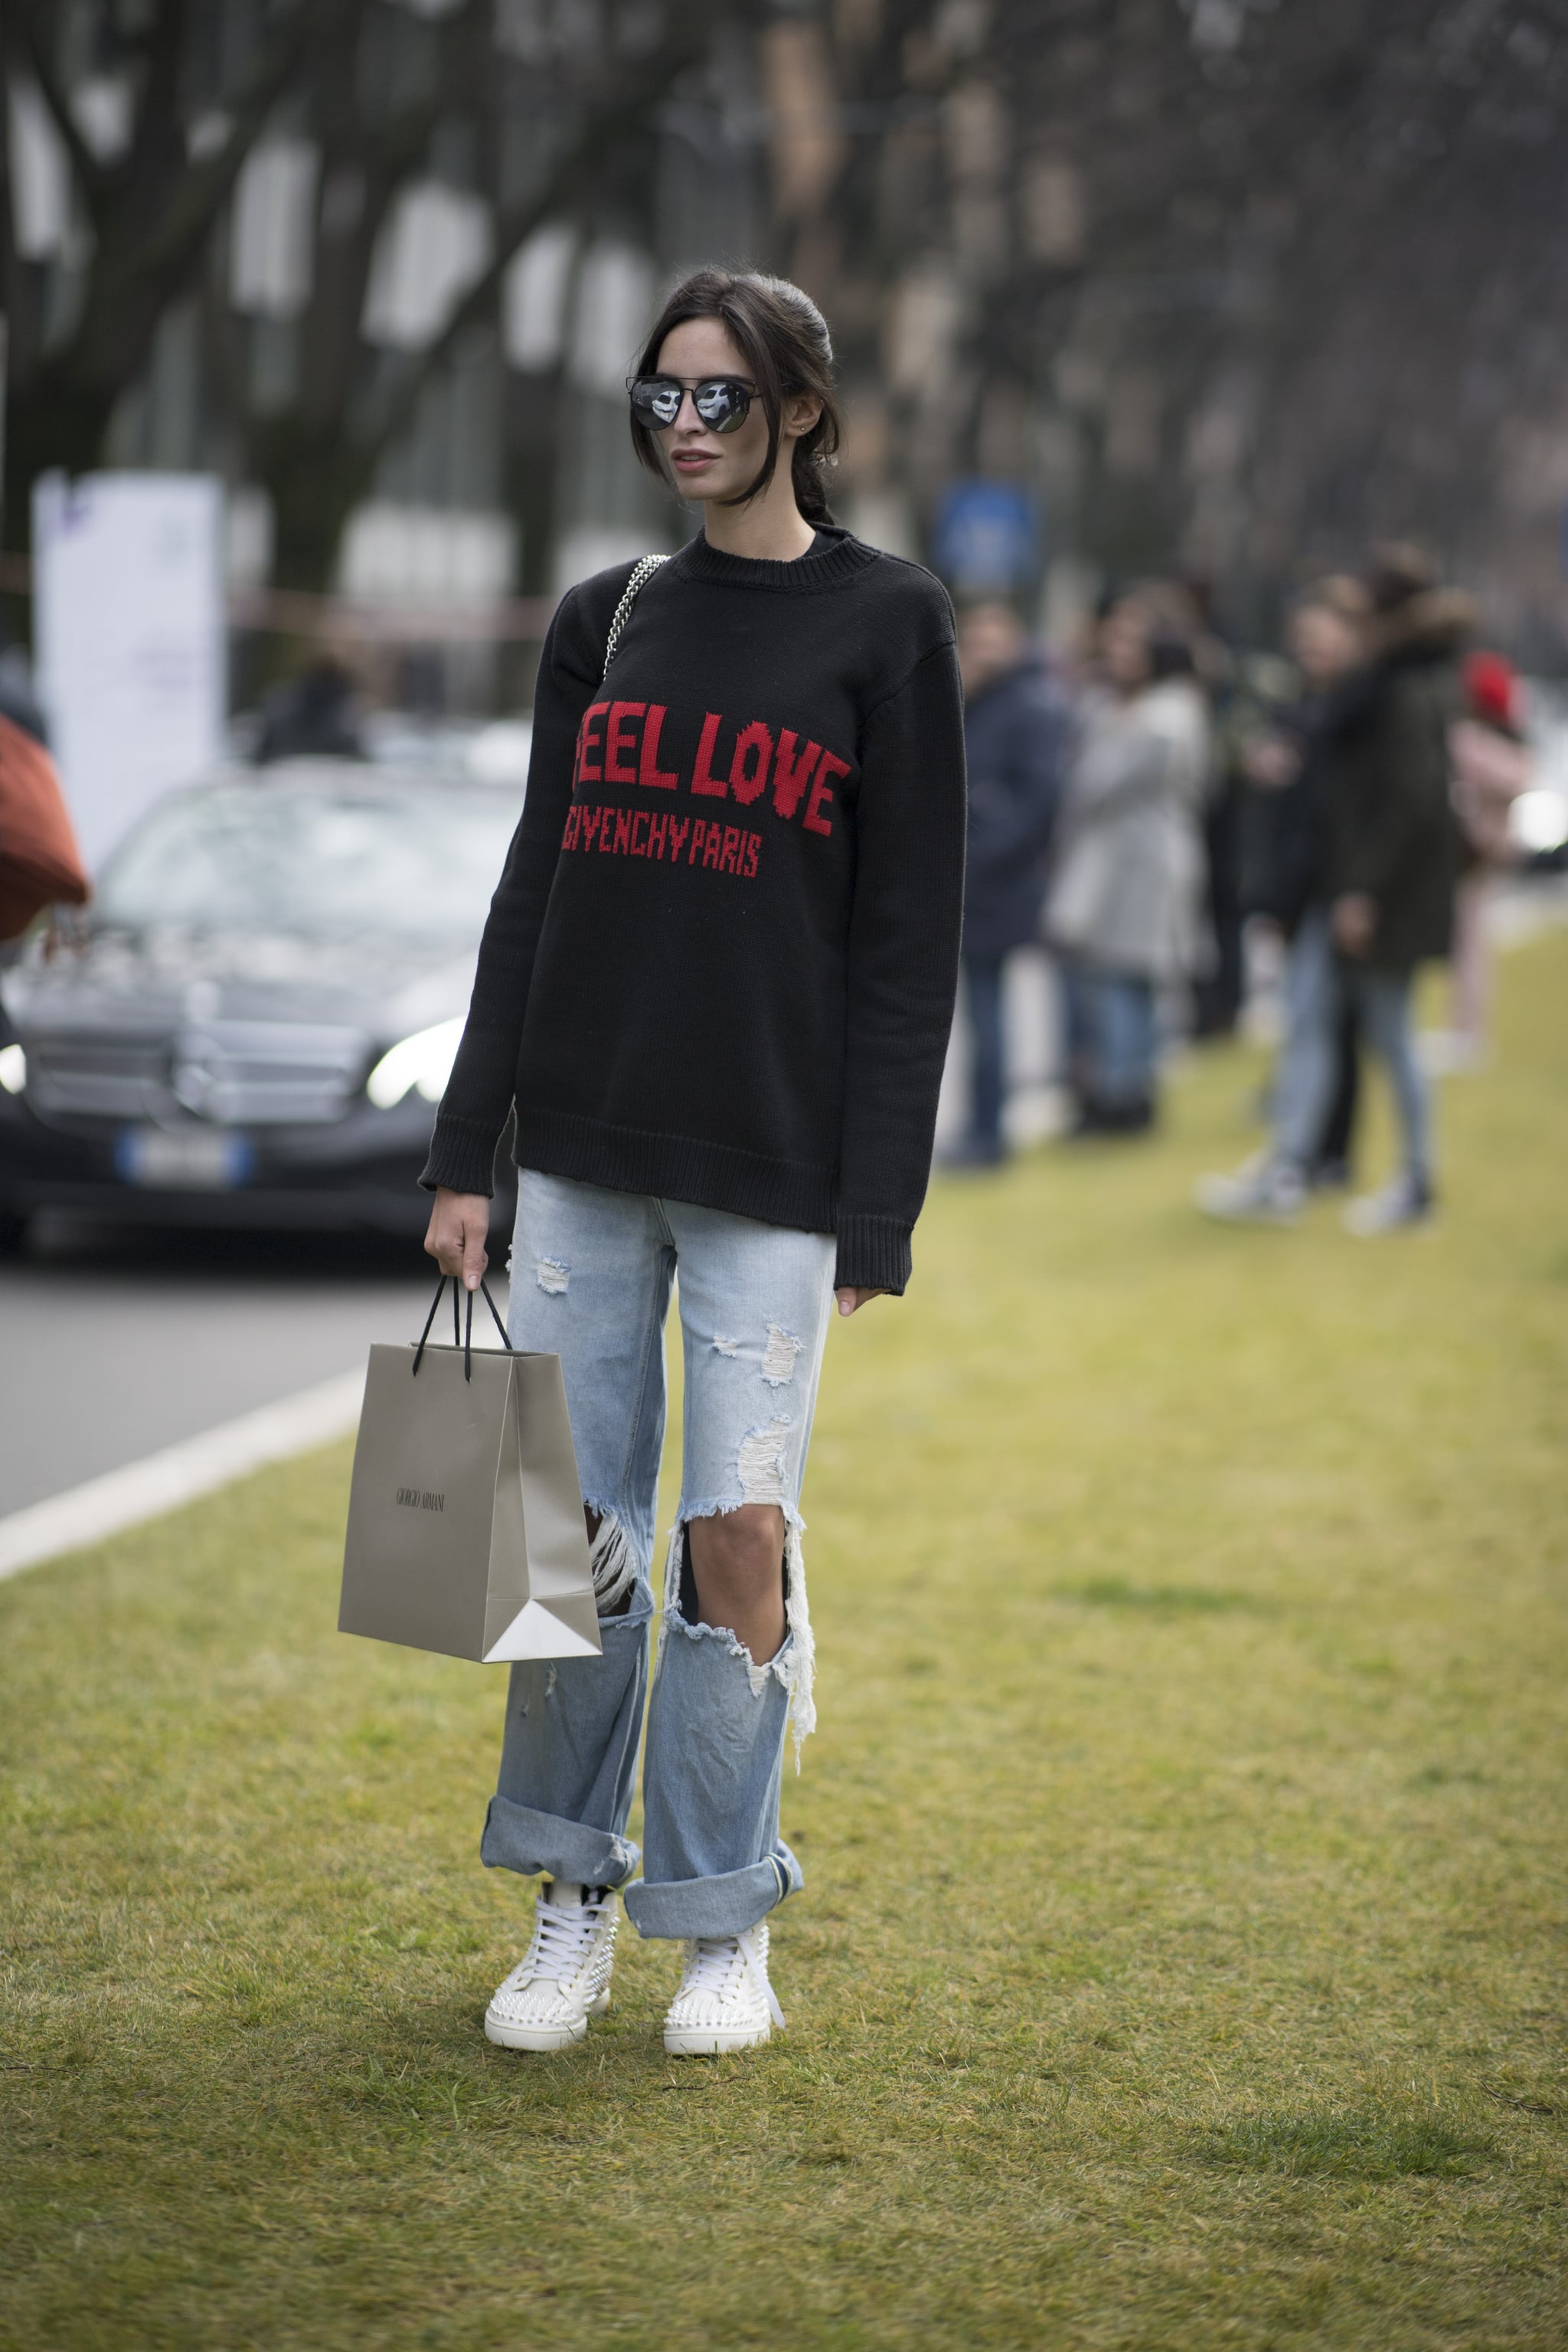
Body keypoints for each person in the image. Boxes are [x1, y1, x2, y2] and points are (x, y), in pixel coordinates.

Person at [420, 270, 965, 2057]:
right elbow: (532, 893)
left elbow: (905, 943)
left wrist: (874, 1199)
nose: (684, 425)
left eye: (720, 397)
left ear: (800, 411)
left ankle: (721, 1917)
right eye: (660, 394)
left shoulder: (885, 624)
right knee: (563, 1540)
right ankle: (568, 1894)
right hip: (574, 1151)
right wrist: (464, 1149)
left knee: (736, 1538)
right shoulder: (608, 613)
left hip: (770, 1173)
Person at [1199, 545, 1468, 1234]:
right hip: (1342, 893)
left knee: (1390, 1035)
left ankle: (1414, 1184)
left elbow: (1407, 804)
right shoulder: (1376, 689)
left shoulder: (1400, 690)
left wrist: (1361, 894)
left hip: (1369, 899)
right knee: (1314, 1025)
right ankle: (1291, 1166)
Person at [1046, 590, 1209, 1134]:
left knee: (1116, 981)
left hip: (1135, 868)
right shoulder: (1151, 708)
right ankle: (1129, 1090)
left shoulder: (1159, 718)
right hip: (1131, 864)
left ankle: (1121, 1098)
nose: (1116, 653)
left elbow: (1091, 783)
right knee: (1128, 982)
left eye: (1129, 644)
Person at [1238, 577, 1372, 1187]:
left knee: (1327, 1028)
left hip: (1335, 890)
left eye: (1321, 637)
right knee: (1322, 1026)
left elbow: (1345, 814)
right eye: (1302, 639)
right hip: (1313, 889)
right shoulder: (1308, 707)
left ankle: (1306, 1159)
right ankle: (1315, 1157)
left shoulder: (1355, 708)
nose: (1309, 648)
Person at [945, 599, 1071, 1166]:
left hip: (997, 885)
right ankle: (981, 1126)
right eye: (975, 639)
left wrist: (978, 856)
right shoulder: (975, 700)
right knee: (976, 1012)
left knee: (989, 1011)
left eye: (995, 639)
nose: (983, 650)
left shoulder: (1029, 705)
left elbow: (1036, 803)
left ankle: (989, 1134)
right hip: (974, 880)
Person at [1430, 651, 1531, 1068]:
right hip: (1478, 851)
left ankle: (1468, 1032)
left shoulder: (1480, 741)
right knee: (1467, 940)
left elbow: (1516, 779)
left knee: (1470, 942)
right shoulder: (1496, 739)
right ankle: (1463, 1027)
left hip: (1478, 853)